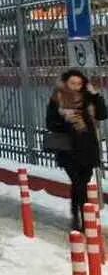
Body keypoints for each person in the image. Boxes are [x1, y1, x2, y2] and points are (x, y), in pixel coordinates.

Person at [46, 69, 107, 230]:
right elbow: (50, 123)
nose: (76, 86)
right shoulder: (57, 98)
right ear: (66, 83)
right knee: (79, 183)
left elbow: (102, 115)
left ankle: (75, 214)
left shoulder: (88, 99)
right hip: (68, 149)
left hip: (87, 148)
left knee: (82, 183)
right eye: (72, 83)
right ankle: (83, 219)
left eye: (79, 84)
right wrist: (67, 122)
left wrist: (96, 96)